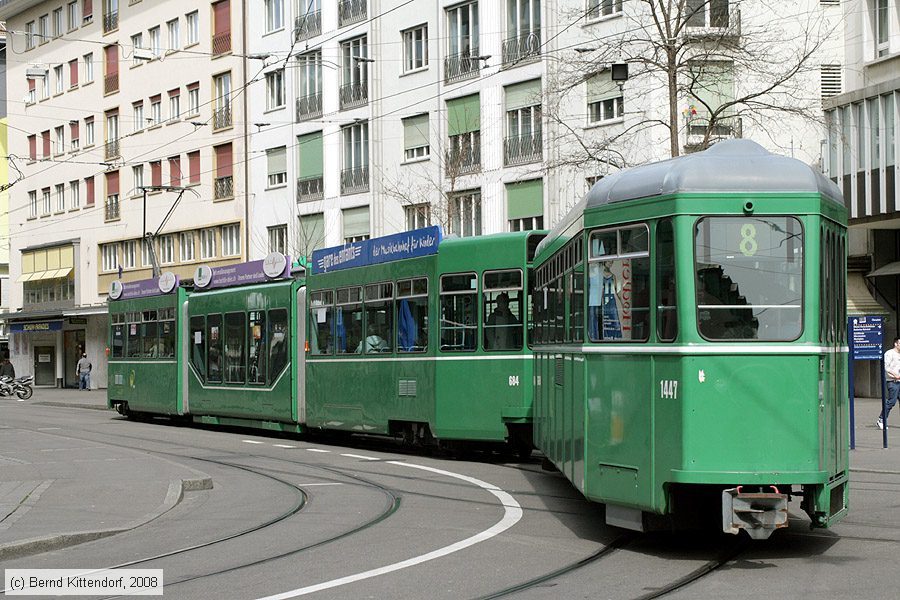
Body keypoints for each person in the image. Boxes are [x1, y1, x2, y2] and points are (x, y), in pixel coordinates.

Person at [878, 337, 900, 429]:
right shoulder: (889, 353)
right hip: (893, 381)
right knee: (891, 401)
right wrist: (895, 375)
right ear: (896, 344)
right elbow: (886, 367)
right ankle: (881, 419)